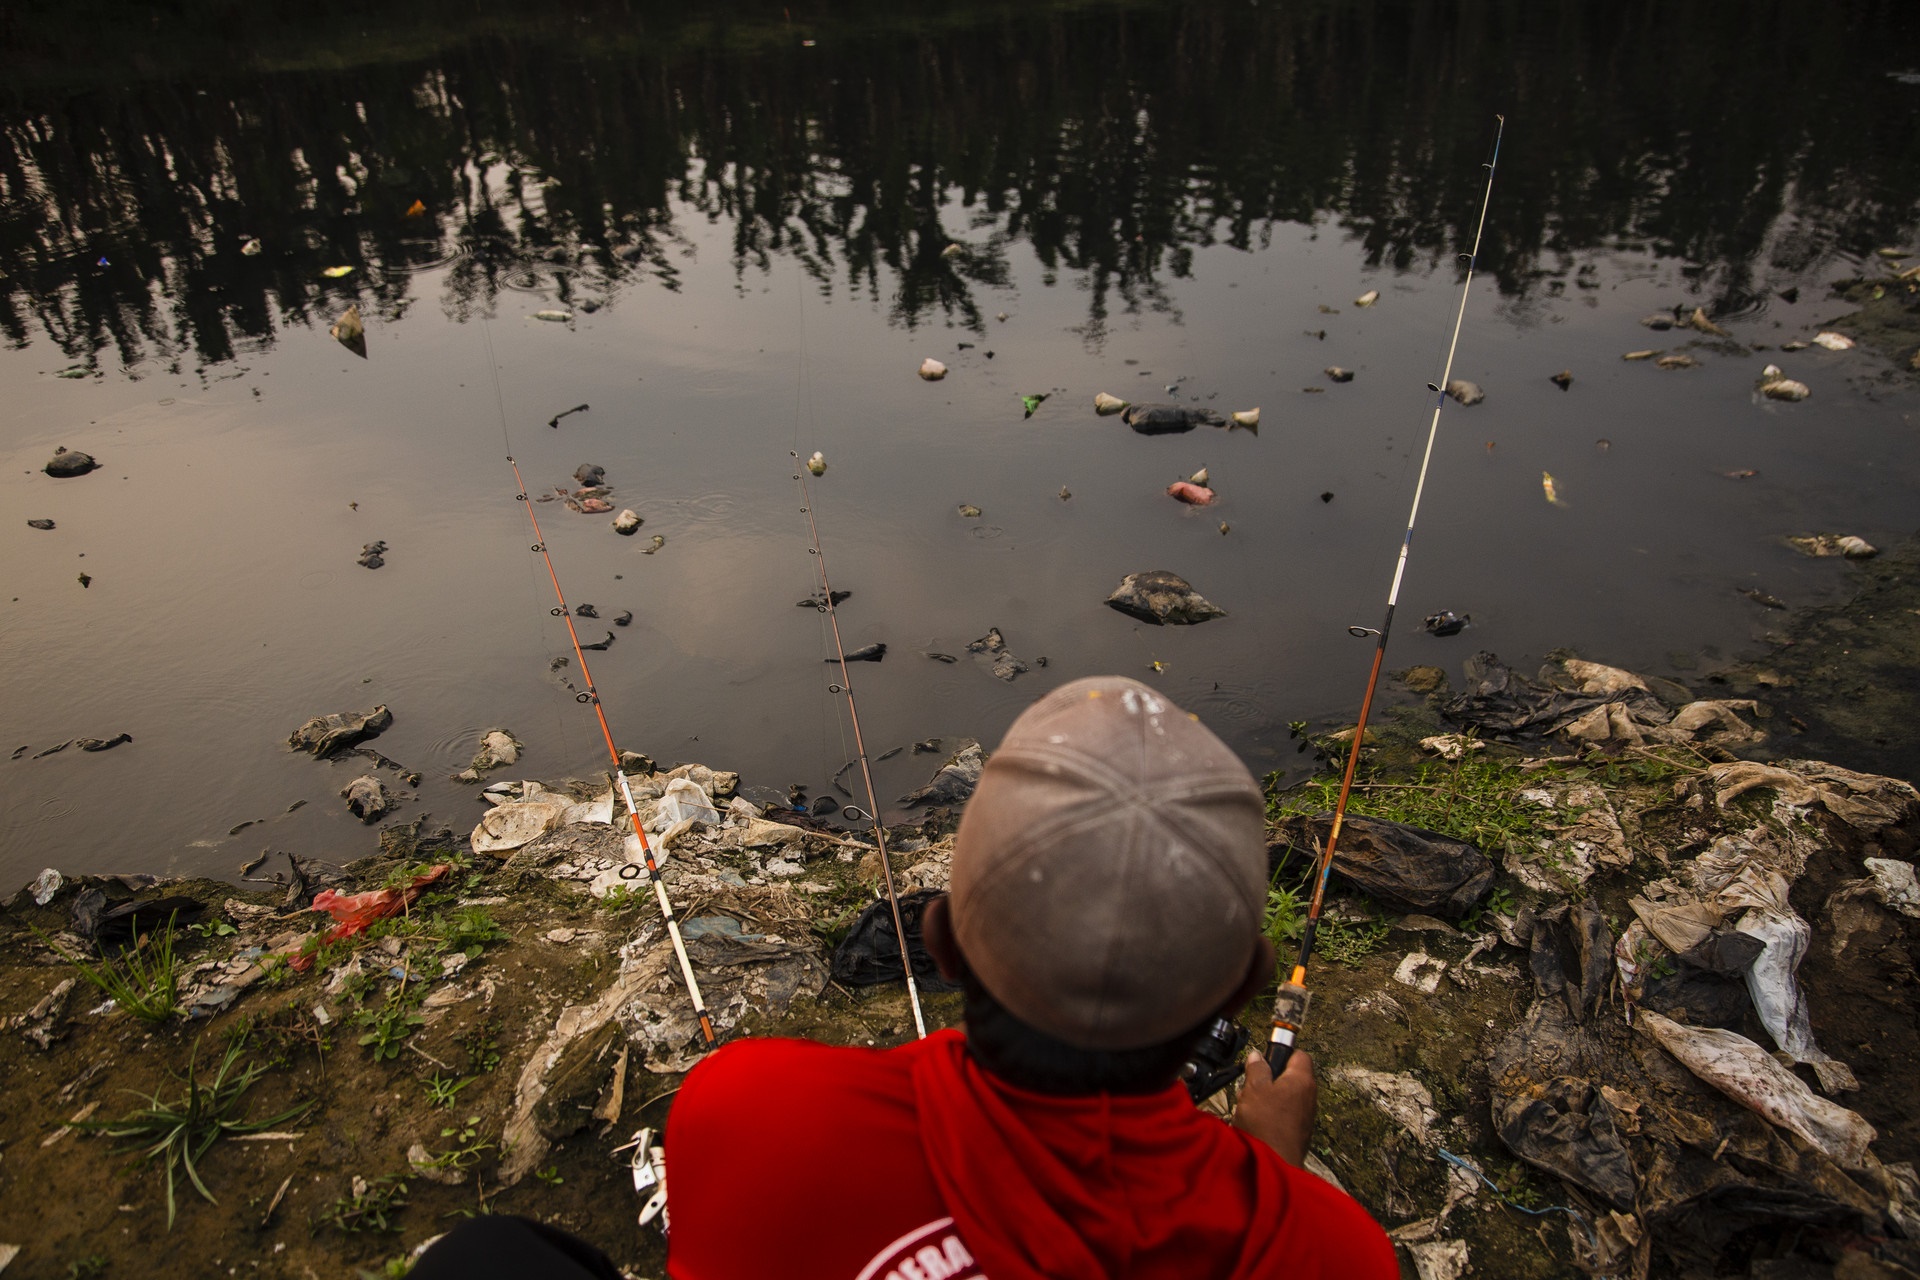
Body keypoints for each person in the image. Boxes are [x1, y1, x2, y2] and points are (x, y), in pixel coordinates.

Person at [665, 676, 1397, 1279]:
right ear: (1240, 991)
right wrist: (1272, 1169)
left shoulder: (745, 1113)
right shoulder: (1336, 1252)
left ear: (943, 944)